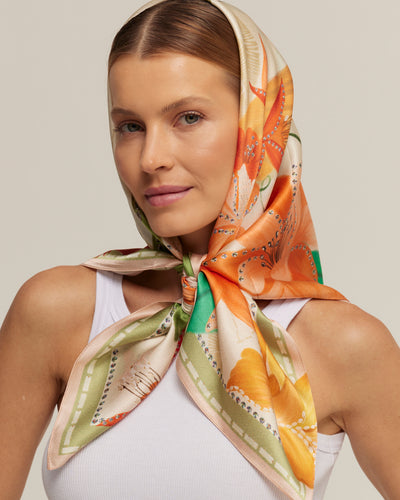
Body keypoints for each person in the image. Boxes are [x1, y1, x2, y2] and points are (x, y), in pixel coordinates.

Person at [1, 0, 399, 499]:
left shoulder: (344, 344)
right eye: (130, 126)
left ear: (259, 127)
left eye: (188, 118)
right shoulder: (58, 312)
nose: (151, 158)